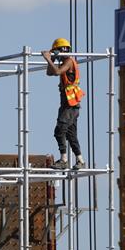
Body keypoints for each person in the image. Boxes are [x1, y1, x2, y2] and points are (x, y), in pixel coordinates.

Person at [41, 38, 85, 170]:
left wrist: (48, 59)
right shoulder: (63, 61)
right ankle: (80, 160)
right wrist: (51, 60)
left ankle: (64, 160)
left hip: (70, 105)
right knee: (71, 134)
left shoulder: (69, 61)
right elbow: (50, 72)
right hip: (68, 104)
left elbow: (57, 72)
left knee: (59, 131)